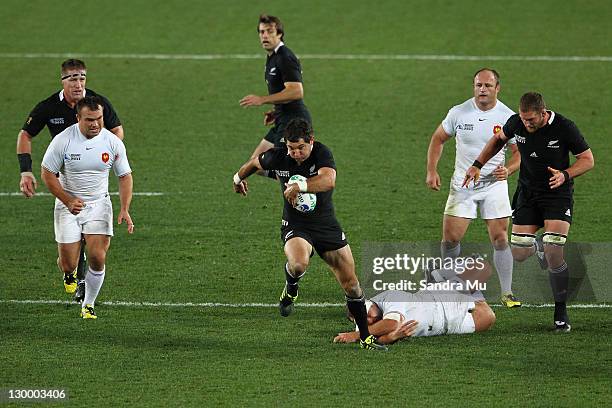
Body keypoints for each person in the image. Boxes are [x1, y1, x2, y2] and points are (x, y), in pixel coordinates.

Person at [232, 118, 386, 351]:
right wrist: (238, 178)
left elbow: (328, 180)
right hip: (296, 225)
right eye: (291, 148)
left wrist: (300, 186)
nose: (295, 153)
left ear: (311, 141)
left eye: (300, 148)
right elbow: (254, 163)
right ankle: (291, 287)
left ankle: (365, 337)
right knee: (298, 264)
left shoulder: (322, 153)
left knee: (352, 286)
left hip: (326, 226)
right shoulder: (278, 155)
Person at [463, 92, 594, 332]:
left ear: (543, 113)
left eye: (531, 119)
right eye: (524, 119)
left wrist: (565, 174)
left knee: (555, 249)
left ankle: (560, 312)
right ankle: (538, 246)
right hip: (527, 195)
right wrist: (477, 164)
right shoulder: (516, 122)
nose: (526, 124)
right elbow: (497, 141)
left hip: (557, 193)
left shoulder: (565, 127)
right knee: (520, 253)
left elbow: (587, 159)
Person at [17, 59, 124, 302]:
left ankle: (84, 282)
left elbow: (117, 130)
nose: (78, 84)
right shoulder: (49, 107)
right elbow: (26, 134)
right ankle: (71, 271)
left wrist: (109, 155)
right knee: (69, 257)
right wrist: (26, 171)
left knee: (92, 233)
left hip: (92, 175)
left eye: (82, 78)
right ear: (63, 81)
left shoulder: (97, 102)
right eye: (73, 79)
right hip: (64, 177)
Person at [426, 68, 521, 308]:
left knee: (500, 238)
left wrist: (508, 169)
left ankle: (507, 293)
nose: (482, 90)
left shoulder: (508, 117)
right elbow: (438, 138)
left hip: (494, 185)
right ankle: (446, 284)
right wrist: (431, 170)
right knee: (450, 239)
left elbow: (519, 154)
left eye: (488, 86)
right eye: (479, 85)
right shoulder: (459, 112)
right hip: (463, 185)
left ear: (497, 88)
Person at [40, 96, 134, 319]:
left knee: (97, 257)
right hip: (68, 206)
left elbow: (125, 176)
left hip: (99, 204)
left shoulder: (112, 142)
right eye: (90, 120)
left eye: (99, 119)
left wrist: (124, 208)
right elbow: (47, 173)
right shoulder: (63, 140)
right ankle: (69, 272)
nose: (95, 124)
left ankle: (88, 304)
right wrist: (67, 199)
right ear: (78, 118)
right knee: (68, 263)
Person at [334, 257, 496, 345]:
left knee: (483, 268)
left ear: (370, 303)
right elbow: (379, 337)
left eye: (367, 313)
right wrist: (390, 338)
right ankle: (439, 278)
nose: (368, 319)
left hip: (442, 297)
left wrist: (355, 335)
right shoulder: (363, 325)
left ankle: (437, 276)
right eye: (364, 320)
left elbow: (391, 325)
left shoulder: (389, 297)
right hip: (448, 324)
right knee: (488, 318)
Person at [239, 14, 312, 167]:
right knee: (255, 163)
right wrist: (276, 109)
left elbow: (296, 92)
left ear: (279, 34)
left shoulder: (285, 57)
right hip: (282, 117)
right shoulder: (273, 57)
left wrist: (262, 99)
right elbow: (284, 90)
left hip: (293, 121)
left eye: (270, 31)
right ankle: (298, 181)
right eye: (261, 32)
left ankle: (302, 184)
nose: (264, 35)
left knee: (282, 167)